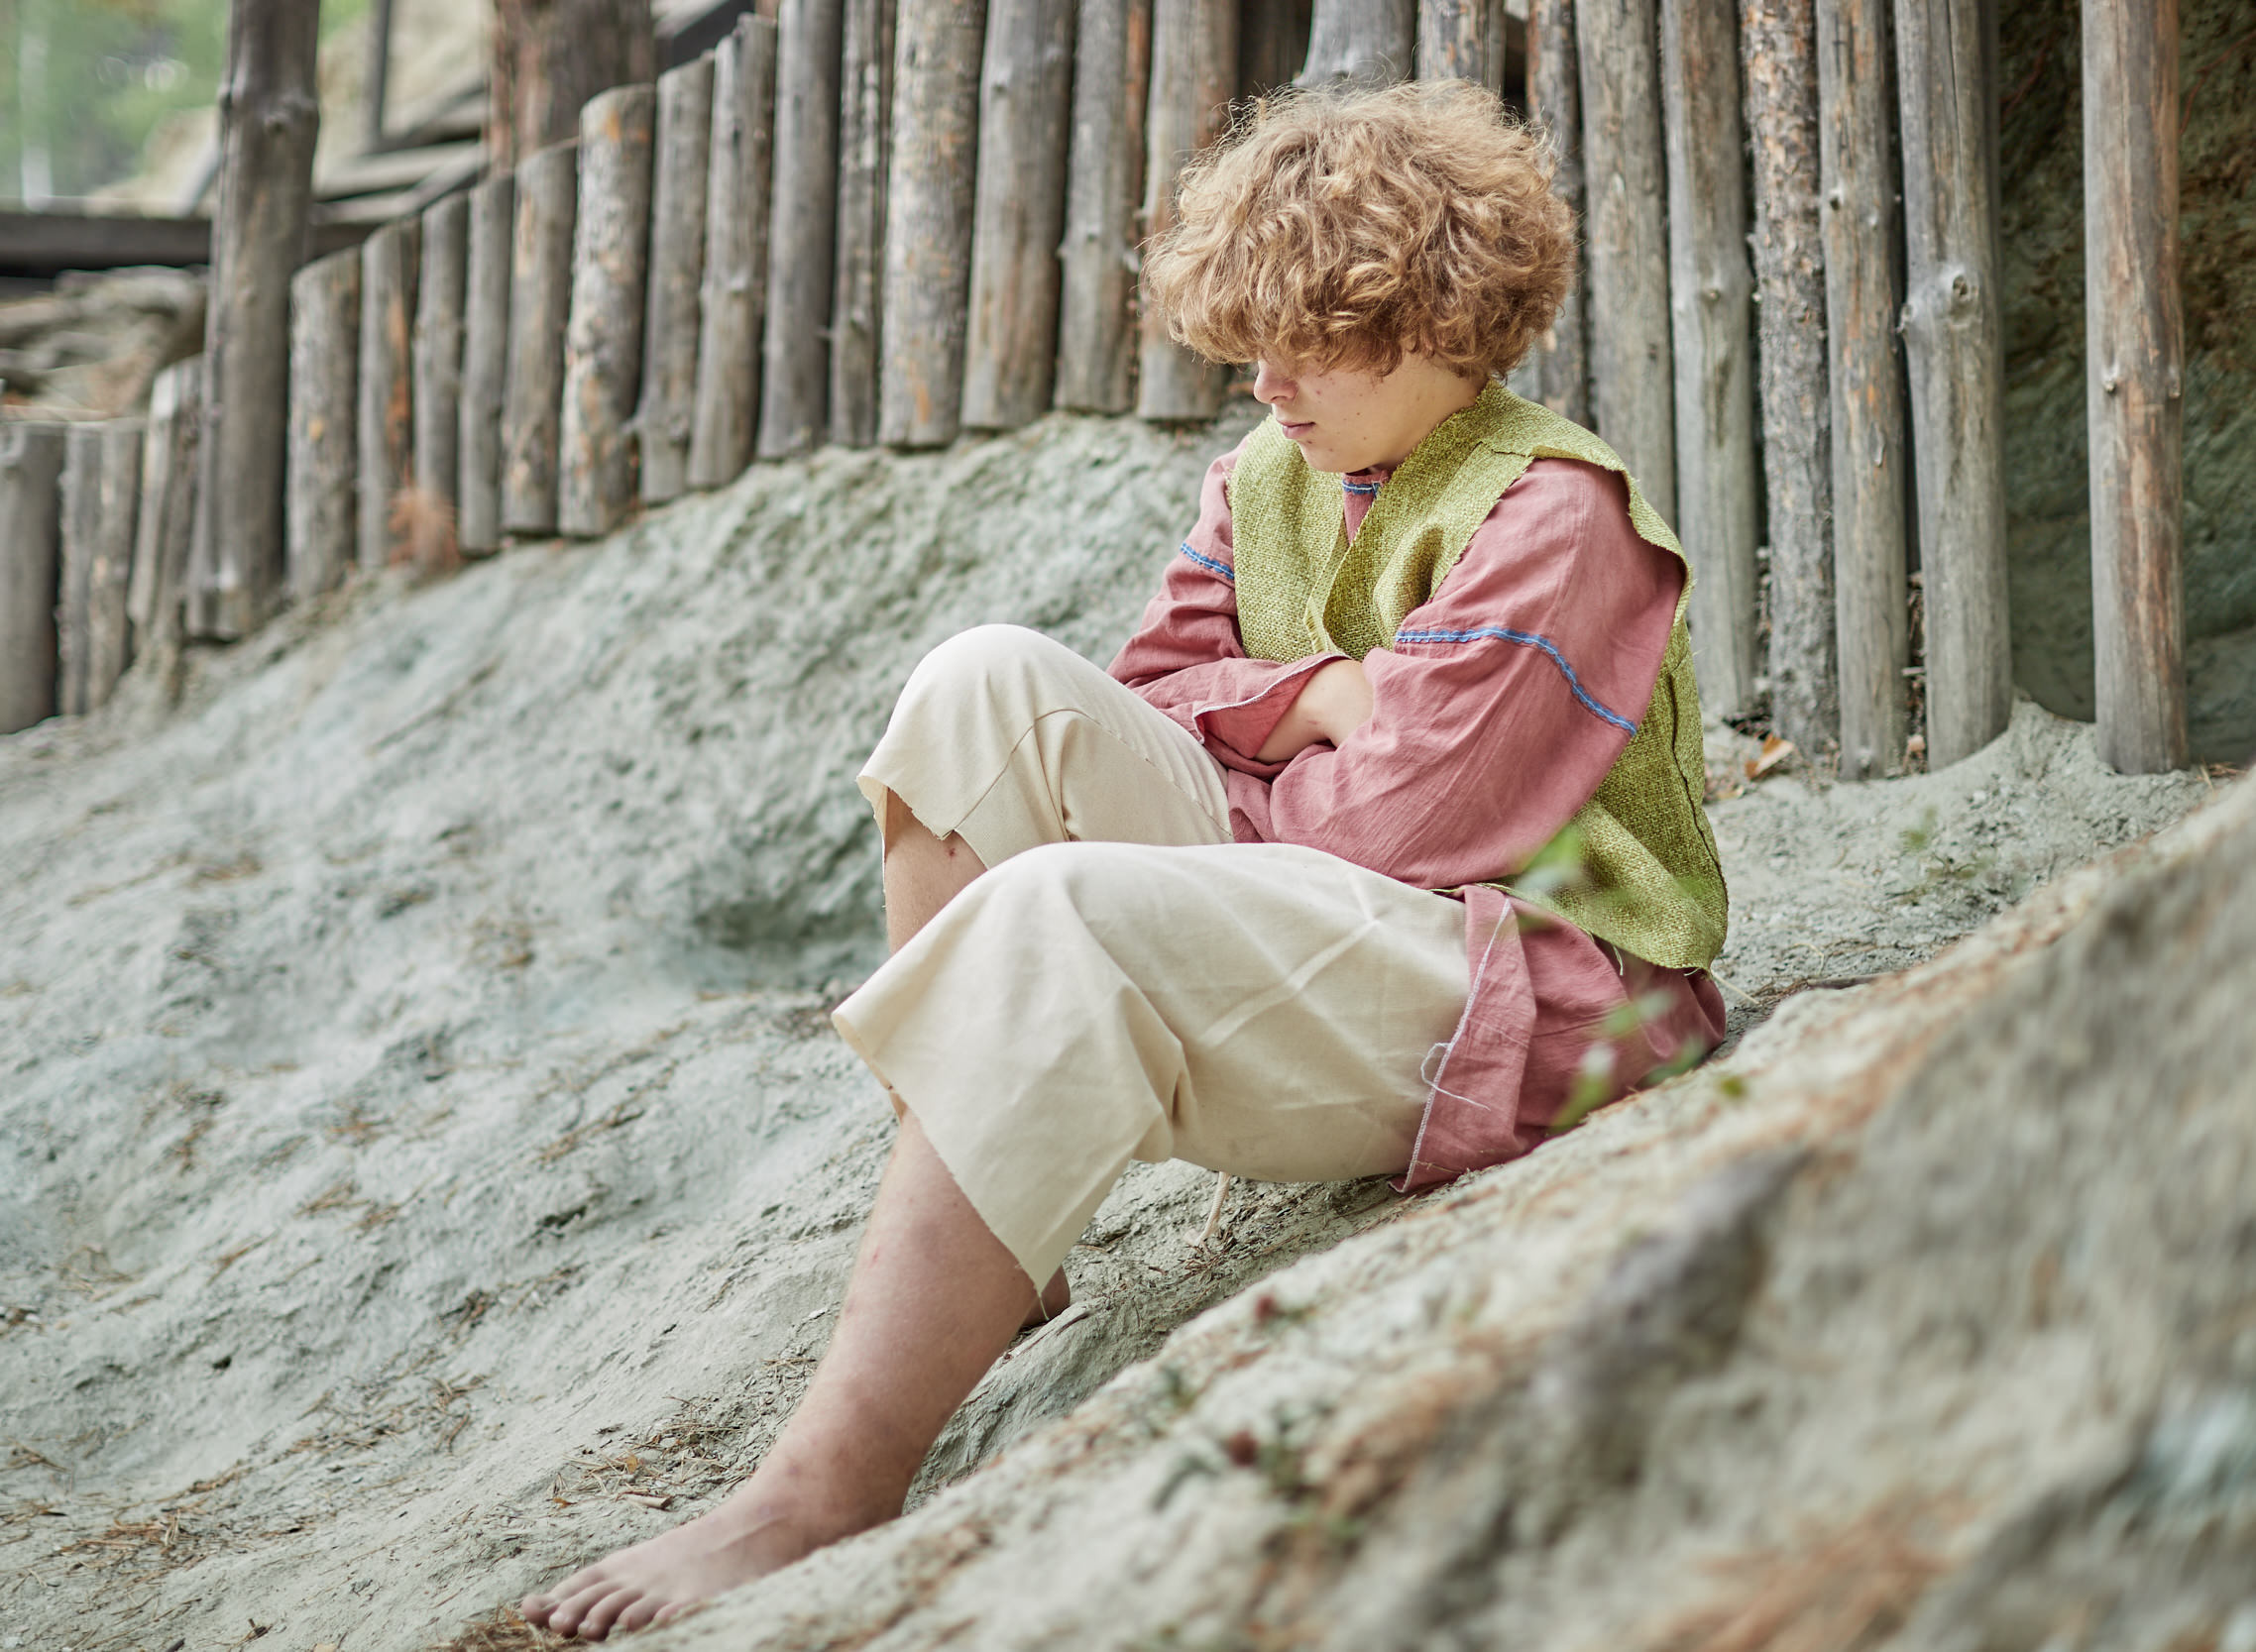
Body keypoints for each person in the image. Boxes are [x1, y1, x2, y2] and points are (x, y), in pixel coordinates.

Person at [517, 77, 1726, 1641]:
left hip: (1541, 987)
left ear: (1435, 316)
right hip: (1345, 908)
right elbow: (1157, 690)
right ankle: (1006, 1257)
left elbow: (1412, 832)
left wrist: (1233, 790)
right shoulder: (1270, 476)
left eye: (1307, 340)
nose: (1265, 385)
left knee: (1064, 910)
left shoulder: (1554, 511)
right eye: (1248, 347)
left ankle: (815, 1494)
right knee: (981, 686)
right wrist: (1318, 699)